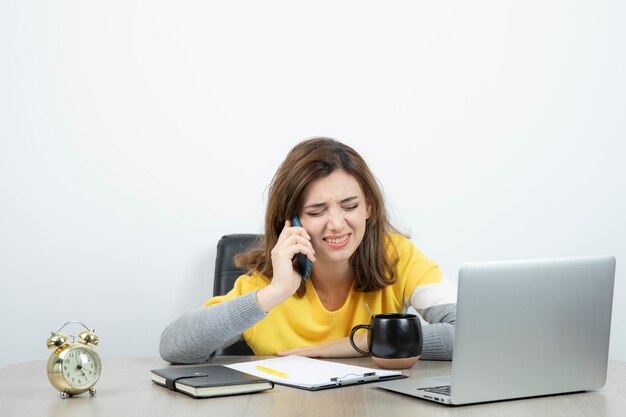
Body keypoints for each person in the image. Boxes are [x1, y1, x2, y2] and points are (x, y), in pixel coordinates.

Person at [160, 137, 457, 364]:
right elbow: (174, 346)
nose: (337, 224)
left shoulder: (395, 255)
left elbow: (475, 334)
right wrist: (274, 293)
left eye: (350, 206)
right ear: (291, 221)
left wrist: (361, 342)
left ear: (368, 206)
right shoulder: (269, 281)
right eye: (317, 212)